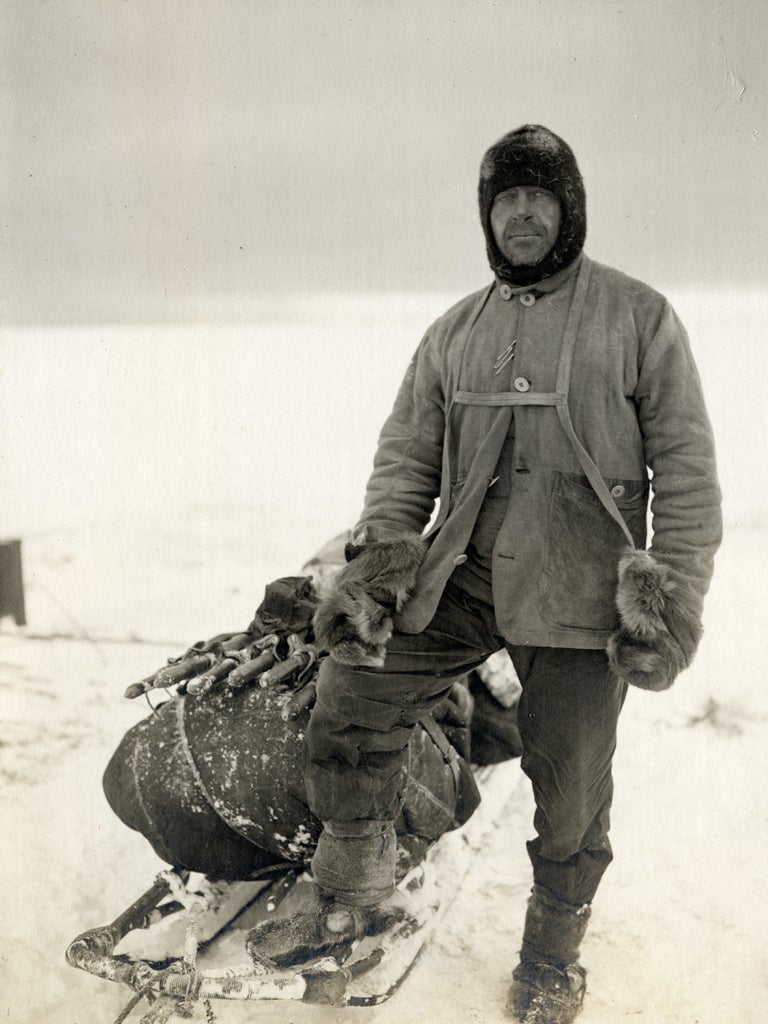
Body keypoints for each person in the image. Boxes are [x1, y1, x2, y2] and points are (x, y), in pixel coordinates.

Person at [247, 125, 722, 1022]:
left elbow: (688, 473)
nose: (523, 214)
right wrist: (383, 562)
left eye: (540, 196)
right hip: (464, 578)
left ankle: (550, 959)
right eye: (506, 199)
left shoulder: (639, 316)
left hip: (580, 592)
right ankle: (353, 888)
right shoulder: (455, 332)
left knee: (573, 785)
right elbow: (405, 460)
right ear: (486, 215)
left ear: (570, 208)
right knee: (353, 685)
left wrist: (672, 595)